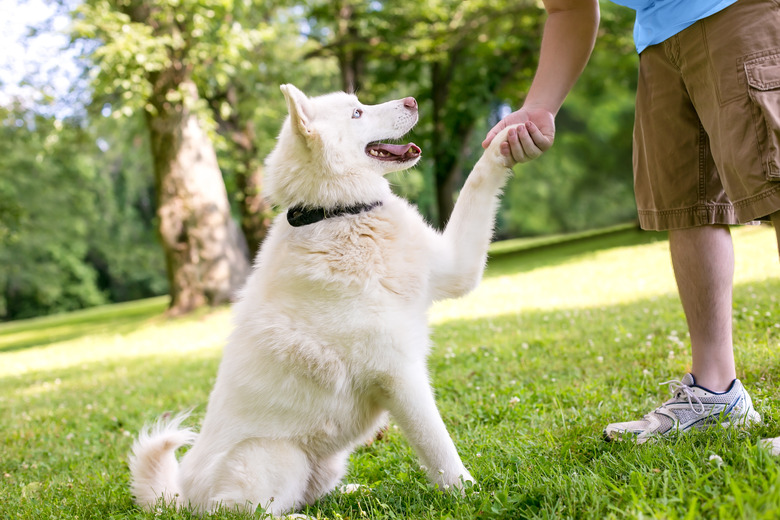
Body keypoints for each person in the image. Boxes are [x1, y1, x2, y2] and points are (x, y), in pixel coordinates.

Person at [484, 0, 780, 444]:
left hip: (741, 10)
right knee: (686, 206)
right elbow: (568, 7)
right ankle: (717, 392)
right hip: (659, 40)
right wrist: (539, 106)